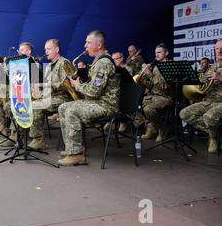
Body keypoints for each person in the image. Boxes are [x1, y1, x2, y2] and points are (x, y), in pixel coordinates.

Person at [57, 30, 120, 166]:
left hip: (105, 105)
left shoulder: (103, 63)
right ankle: (72, 147)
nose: (85, 46)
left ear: (99, 45)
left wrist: (77, 85)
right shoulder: (98, 62)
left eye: (88, 42)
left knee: (72, 111)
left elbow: (94, 92)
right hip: (96, 102)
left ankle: (76, 155)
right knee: (63, 107)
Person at [26, 39, 74, 150]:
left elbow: (69, 85)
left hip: (63, 98)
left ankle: (38, 140)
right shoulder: (48, 65)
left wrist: (44, 85)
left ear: (56, 49)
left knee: (35, 106)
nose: (46, 51)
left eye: (48, 49)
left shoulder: (64, 63)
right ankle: (25, 136)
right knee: (27, 103)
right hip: (51, 96)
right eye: (45, 49)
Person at [180, 40, 222, 153]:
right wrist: (200, 80)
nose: (220, 51)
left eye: (221, 48)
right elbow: (202, 85)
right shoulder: (212, 67)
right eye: (217, 49)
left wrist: (220, 78)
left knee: (208, 117)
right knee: (184, 114)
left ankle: (213, 138)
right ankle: (215, 133)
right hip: (209, 102)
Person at [134, 43, 173, 142]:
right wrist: (143, 78)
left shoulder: (170, 66)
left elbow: (164, 86)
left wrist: (149, 74)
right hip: (153, 96)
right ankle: (151, 126)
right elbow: (151, 85)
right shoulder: (156, 66)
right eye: (155, 53)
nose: (156, 55)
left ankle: (161, 128)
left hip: (165, 97)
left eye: (159, 52)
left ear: (166, 53)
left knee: (148, 109)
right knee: (135, 103)